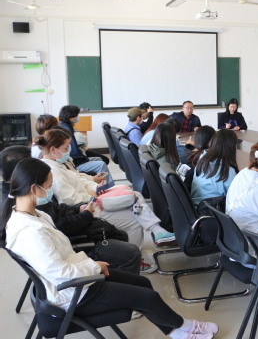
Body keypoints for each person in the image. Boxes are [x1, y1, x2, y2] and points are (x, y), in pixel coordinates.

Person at [0, 158, 219, 339]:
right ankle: (186, 327)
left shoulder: (34, 214)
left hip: (78, 275)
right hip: (72, 293)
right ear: (34, 188)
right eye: (48, 186)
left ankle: (176, 331)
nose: (50, 190)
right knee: (147, 298)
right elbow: (60, 273)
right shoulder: (30, 232)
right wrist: (95, 267)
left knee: (143, 284)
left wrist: (93, 266)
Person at [1, 147, 142, 274]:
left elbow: (56, 209)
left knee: (121, 235)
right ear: (23, 172)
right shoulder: (28, 210)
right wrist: (86, 215)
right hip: (74, 248)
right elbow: (62, 231)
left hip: (70, 247)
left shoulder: (22, 200)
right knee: (128, 247)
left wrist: (77, 209)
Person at [37, 129, 176, 252]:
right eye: (66, 148)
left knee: (134, 195)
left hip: (91, 198)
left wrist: (95, 186)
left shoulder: (59, 164)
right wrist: (93, 194)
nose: (68, 151)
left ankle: (157, 230)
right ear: (53, 149)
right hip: (88, 206)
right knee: (135, 216)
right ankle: (137, 257)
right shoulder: (54, 171)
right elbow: (70, 199)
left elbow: (78, 178)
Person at [58, 105, 112, 180]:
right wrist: (85, 159)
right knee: (101, 163)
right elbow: (74, 153)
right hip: (74, 163)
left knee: (100, 159)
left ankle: (99, 182)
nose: (78, 117)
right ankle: (108, 185)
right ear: (71, 118)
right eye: (77, 115)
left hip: (73, 160)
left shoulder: (64, 126)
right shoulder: (67, 130)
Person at [191, 130, 239, 204]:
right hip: (213, 208)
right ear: (232, 148)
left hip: (194, 205)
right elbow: (235, 199)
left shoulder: (202, 159)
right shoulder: (228, 171)